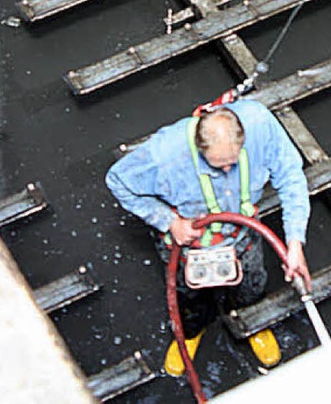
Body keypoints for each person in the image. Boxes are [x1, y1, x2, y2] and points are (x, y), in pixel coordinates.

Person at [105, 98, 311, 375]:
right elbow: (117, 181)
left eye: (233, 162)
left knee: (252, 285)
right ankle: (190, 333)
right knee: (189, 296)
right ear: (201, 151)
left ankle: (252, 323)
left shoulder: (260, 124)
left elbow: (291, 178)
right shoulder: (165, 154)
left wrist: (295, 243)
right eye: (218, 166)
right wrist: (170, 221)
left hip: (243, 233)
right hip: (188, 243)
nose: (227, 170)